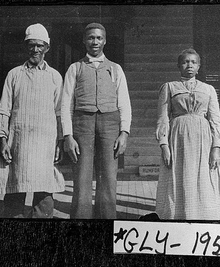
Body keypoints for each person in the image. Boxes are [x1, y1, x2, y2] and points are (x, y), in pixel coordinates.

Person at [0, 23, 65, 218]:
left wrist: (60, 141)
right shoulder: (14, 75)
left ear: (47, 48)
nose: (35, 50)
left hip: (45, 144)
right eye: (31, 45)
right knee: (15, 194)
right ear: (26, 47)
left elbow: (60, 113)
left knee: (43, 198)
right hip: (19, 143)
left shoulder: (55, 77)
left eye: (40, 45)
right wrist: (2, 139)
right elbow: (4, 109)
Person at [61, 23, 131, 219]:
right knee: (82, 177)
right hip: (82, 125)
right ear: (84, 41)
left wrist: (124, 133)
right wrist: (68, 135)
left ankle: (107, 223)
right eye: (91, 37)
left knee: (109, 177)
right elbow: (66, 104)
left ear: (105, 41)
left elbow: (124, 103)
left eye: (99, 38)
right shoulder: (75, 68)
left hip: (110, 126)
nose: (95, 42)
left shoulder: (115, 69)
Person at [155, 48, 220, 220]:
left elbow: (216, 120)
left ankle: (203, 218)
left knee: (202, 176)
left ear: (199, 66)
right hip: (178, 138)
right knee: (180, 177)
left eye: (193, 62)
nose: (189, 65)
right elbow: (162, 119)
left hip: (203, 140)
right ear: (179, 65)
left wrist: (216, 147)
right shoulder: (169, 87)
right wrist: (164, 145)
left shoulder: (208, 89)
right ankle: (178, 217)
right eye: (186, 62)